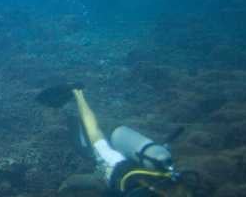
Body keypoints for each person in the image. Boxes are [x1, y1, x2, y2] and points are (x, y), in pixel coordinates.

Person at [37, 84, 199, 196]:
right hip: (117, 165)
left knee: (90, 141)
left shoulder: (170, 183)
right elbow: (94, 131)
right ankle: (77, 93)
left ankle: (77, 99)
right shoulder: (170, 187)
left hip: (137, 166)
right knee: (91, 137)